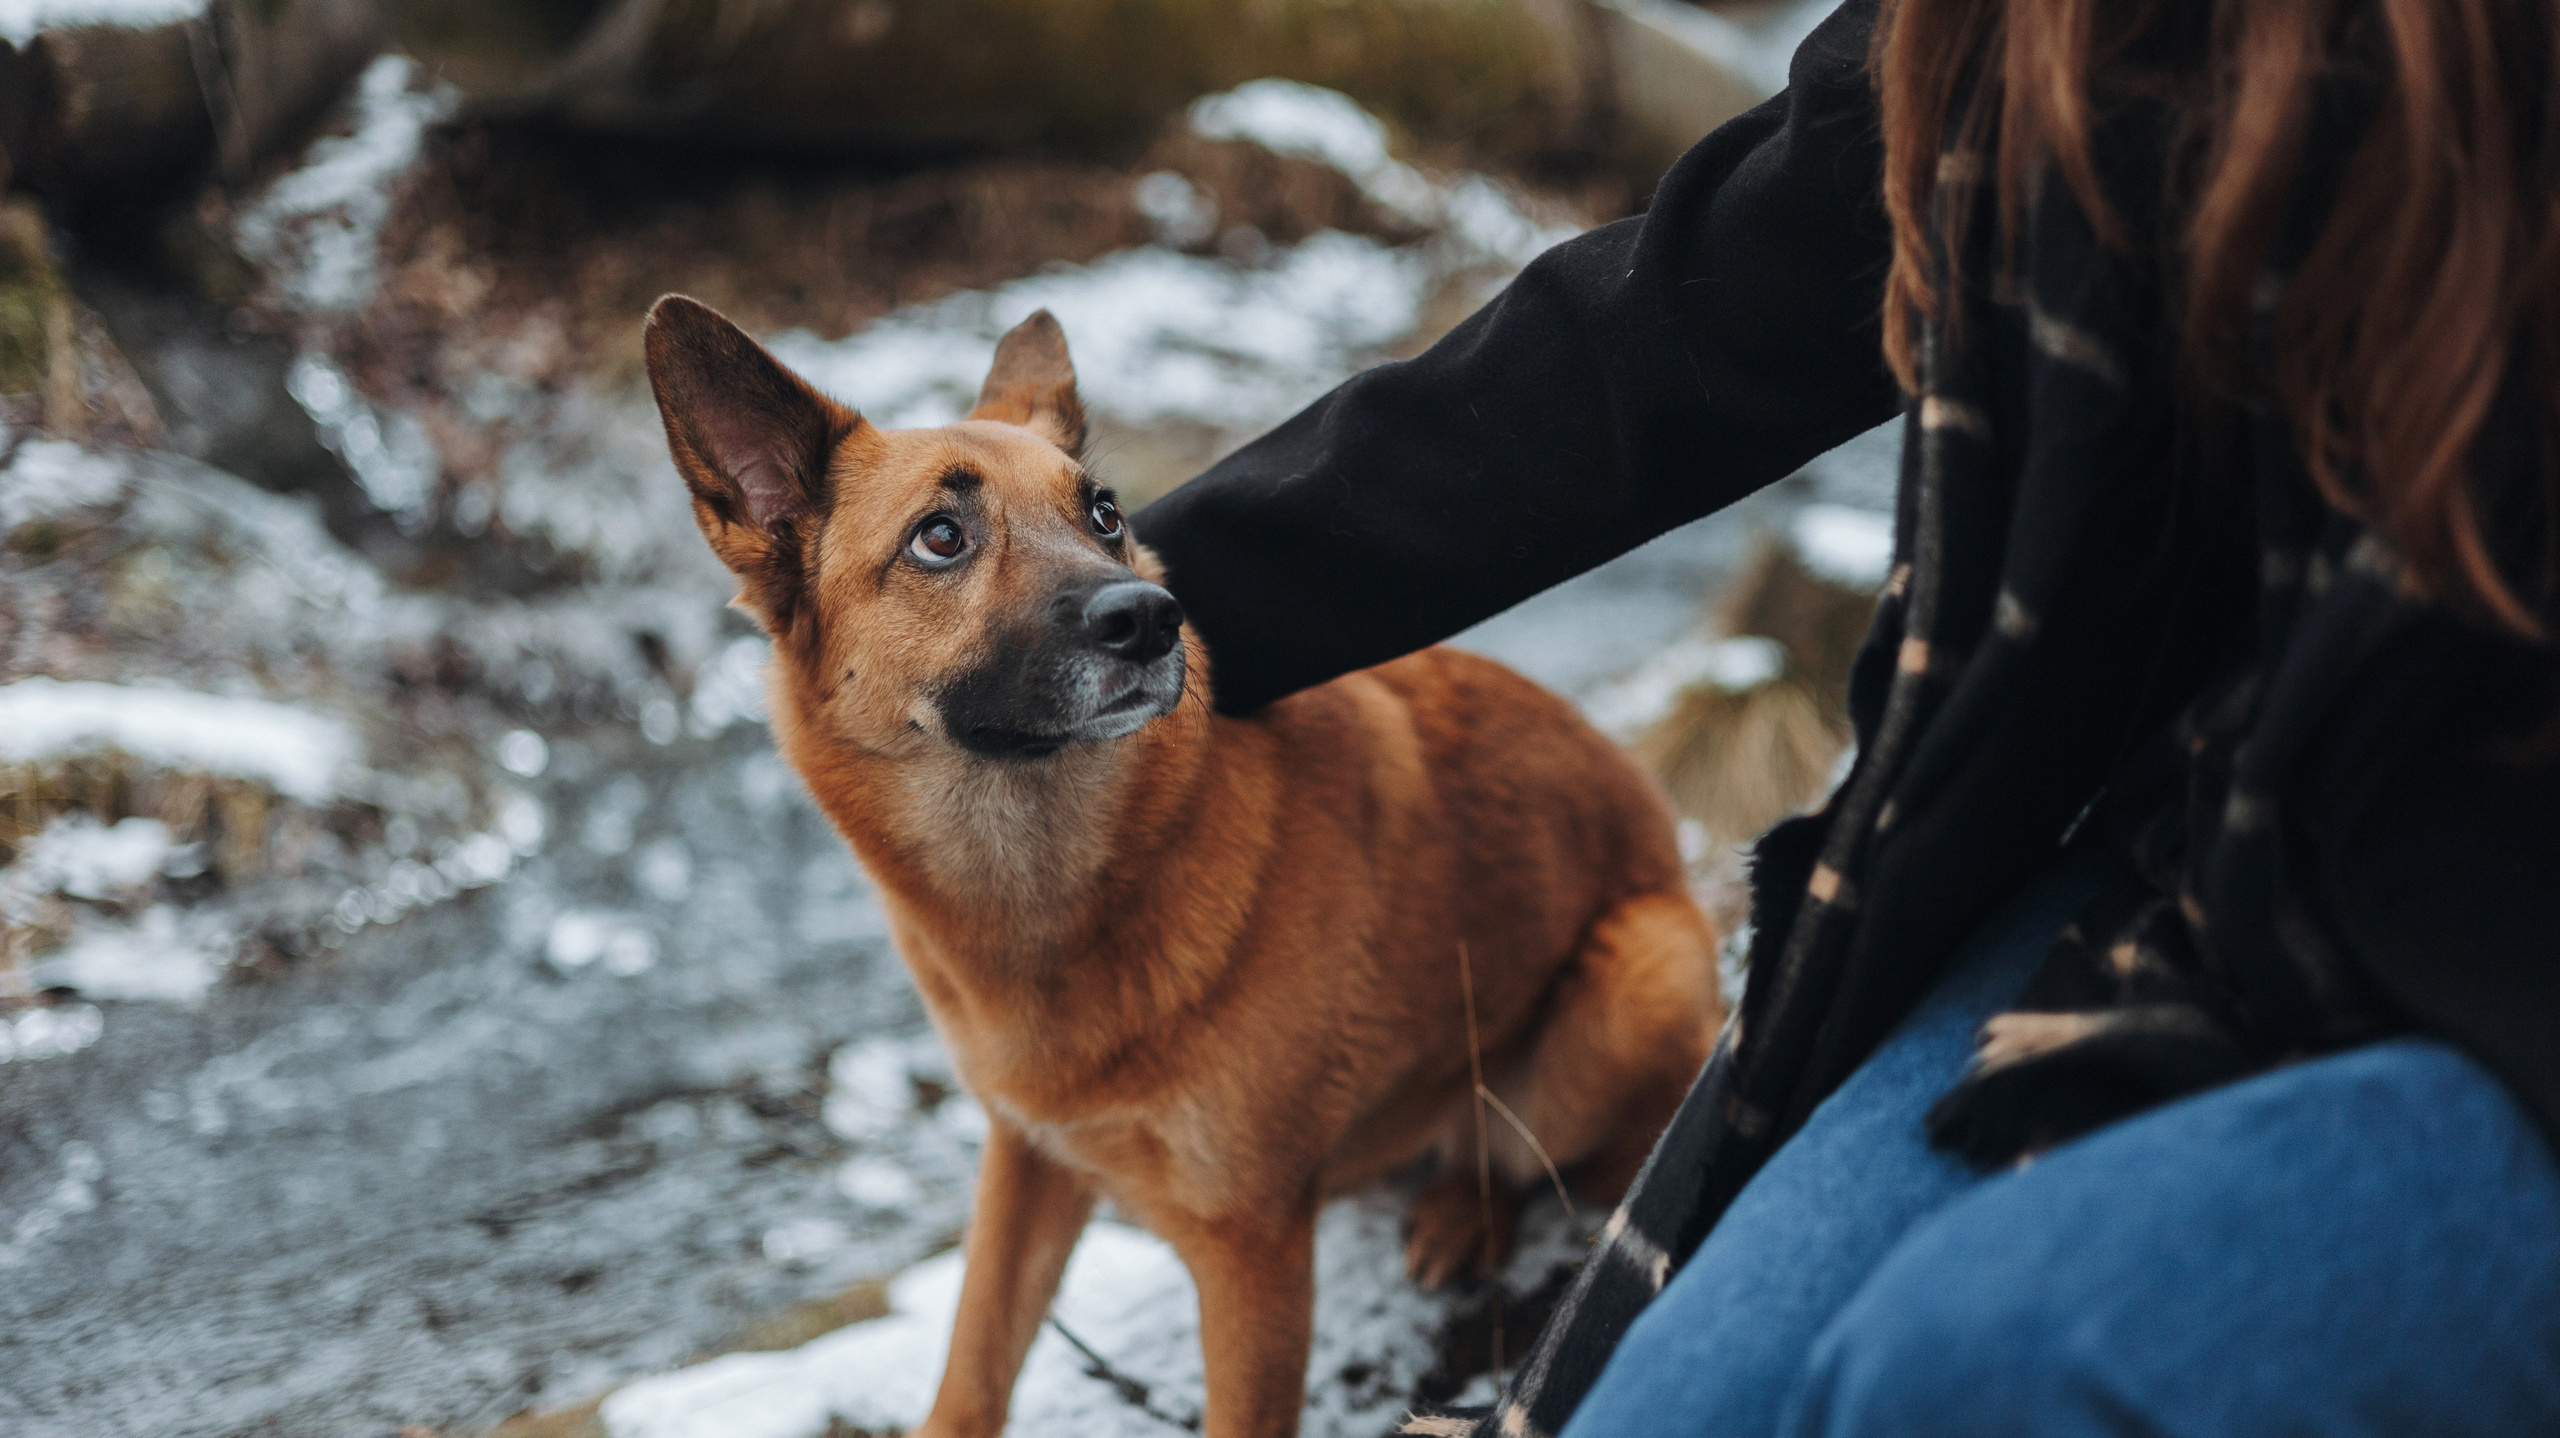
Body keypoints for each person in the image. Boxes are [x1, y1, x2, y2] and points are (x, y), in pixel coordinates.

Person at [1134, 0, 2560, 1433]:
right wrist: (1120, 609)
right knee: (1685, 1410)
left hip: (2498, 971)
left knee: (1977, 1373)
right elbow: (1664, 329)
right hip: (2202, 872)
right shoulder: (2017, 40)